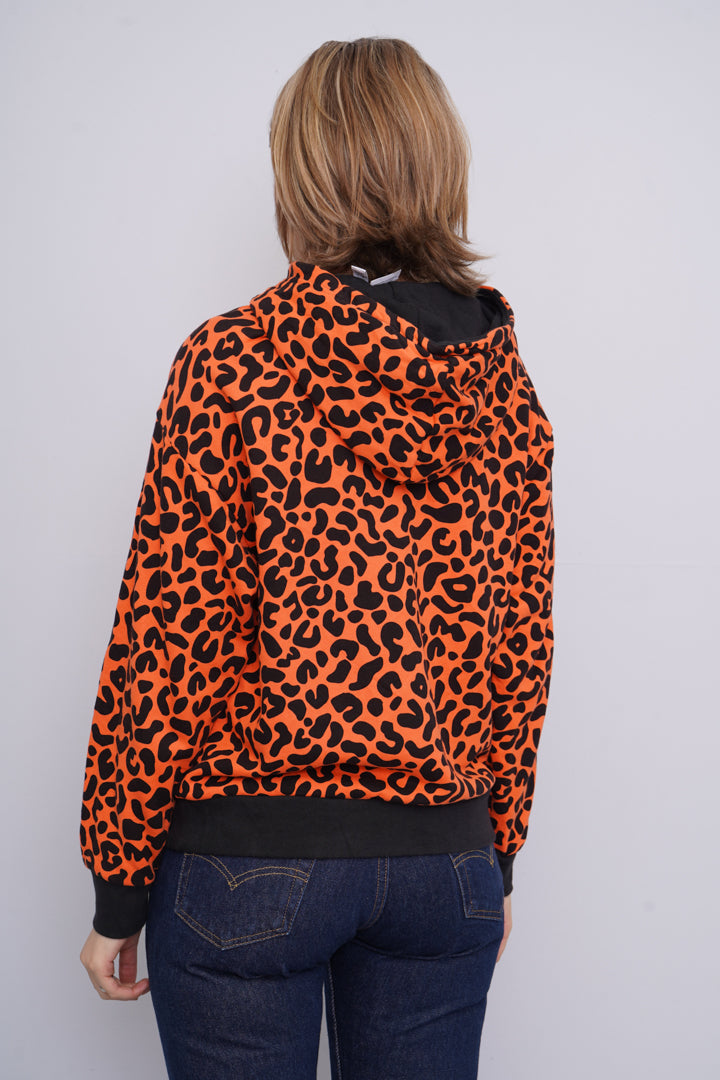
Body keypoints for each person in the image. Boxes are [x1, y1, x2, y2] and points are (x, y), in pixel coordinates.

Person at [79, 37, 555, 1080]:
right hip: (444, 861)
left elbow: (168, 637)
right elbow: (520, 645)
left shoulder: (231, 361)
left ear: (302, 171)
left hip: (251, 855)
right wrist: (494, 853)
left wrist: (119, 883)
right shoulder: (504, 388)